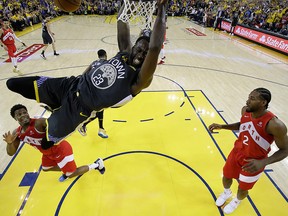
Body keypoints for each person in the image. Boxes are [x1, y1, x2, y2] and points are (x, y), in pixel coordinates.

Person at [6, 0, 167, 149]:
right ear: (134, 47)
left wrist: (161, 11)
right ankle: (54, 105)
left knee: (46, 144)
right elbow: (122, 19)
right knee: (12, 84)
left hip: (79, 109)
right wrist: (126, 2)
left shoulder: (140, 80)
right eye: (139, 49)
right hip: (70, 85)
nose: (141, 54)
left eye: (145, 54)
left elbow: (154, 48)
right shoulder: (125, 51)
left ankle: (49, 118)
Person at [208, 88, 288, 214]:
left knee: (242, 189)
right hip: (236, 153)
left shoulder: (275, 125)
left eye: (252, 98)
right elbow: (243, 125)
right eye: (249, 97)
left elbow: (285, 150)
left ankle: (236, 201)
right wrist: (223, 126)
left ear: (263, 103)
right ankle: (226, 193)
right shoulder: (245, 110)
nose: (247, 100)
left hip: (254, 161)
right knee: (226, 176)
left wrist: (264, 162)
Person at [2, 104, 106, 182]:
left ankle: (96, 164)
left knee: (71, 174)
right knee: (46, 168)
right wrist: (10, 143)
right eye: (19, 114)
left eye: (25, 112)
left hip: (61, 149)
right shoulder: (17, 133)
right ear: (15, 118)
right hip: (47, 153)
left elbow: (59, 125)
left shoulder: (39, 123)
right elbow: (11, 153)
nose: (23, 115)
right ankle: (67, 168)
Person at [78, 49, 108, 138]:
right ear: (106, 55)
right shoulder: (107, 64)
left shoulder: (94, 63)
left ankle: (101, 128)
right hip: (98, 91)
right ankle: (84, 125)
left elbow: (83, 74)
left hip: (89, 90)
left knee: (99, 110)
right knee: (98, 109)